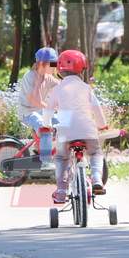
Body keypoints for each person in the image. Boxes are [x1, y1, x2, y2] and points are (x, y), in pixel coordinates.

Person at [43, 50, 108, 204]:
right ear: (82, 68)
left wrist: (46, 126)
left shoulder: (58, 89)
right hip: (87, 130)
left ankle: (61, 189)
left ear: (59, 69)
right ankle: (97, 179)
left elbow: (49, 110)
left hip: (66, 131)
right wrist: (102, 124)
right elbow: (96, 108)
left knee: (61, 158)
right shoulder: (86, 88)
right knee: (95, 153)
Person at [17, 47, 60, 132]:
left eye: (56, 64)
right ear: (42, 64)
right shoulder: (30, 77)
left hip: (41, 112)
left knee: (64, 122)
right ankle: (44, 143)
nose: (55, 67)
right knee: (44, 127)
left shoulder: (48, 77)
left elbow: (61, 86)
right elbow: (33, 101)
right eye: (53, 64)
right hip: (27, 113)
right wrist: (51, 107)